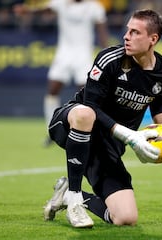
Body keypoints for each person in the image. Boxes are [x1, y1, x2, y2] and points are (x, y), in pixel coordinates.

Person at [43, 9, 162, 228]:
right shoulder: (110, 59)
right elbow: (90, 105)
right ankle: (74, 197)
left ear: (152, 39)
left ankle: (67, 192)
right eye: (127, 30)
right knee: (84, 114)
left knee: (126, 218)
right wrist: (130, 136)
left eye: (135, 32)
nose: (126, 36)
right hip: (71, 125)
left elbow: (157, 101)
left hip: (108, 148)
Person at [14, 0, 109, 147]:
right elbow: (43, 9)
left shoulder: (95, 7)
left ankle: (85, 132)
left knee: (85, 96)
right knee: (52, 90)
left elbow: (102, 32)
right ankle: (52, 131)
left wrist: (106, 55)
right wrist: (26, 10)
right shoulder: (61, 3)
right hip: (63, 54)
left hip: (83, 55)